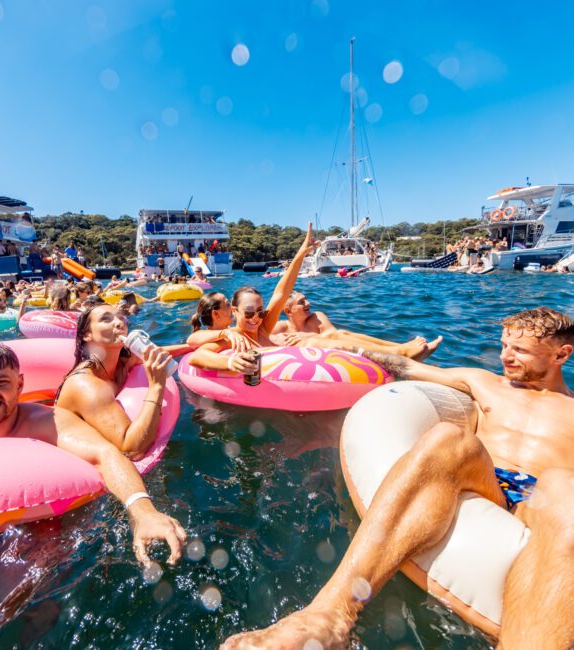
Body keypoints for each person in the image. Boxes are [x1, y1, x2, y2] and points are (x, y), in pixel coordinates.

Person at [222, 307, 574, 649]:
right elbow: (403, 365)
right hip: (489, 483)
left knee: (562, 484)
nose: (506, 356)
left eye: (520, 350)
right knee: (448, 439)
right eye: (503, 345)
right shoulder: (484, 382)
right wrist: (335, 346)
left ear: (562, 355)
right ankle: (329, 615)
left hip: (540, 500)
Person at [0, 341, 186, 565]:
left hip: (34, 515)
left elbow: (105, 454)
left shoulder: (47, 422)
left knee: (31, 568)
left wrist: (143, 512)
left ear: (20, 385)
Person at [56, 304, 188, 457]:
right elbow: (131, 449)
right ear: (87, 335)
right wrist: (156, 386)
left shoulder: (122, 363)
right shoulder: (85, 384)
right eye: (106, 319)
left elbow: (155, 354)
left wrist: (191, 347)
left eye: (121, 317)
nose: (119, 323)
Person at [188, 223, 317, 374]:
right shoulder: (235, 339)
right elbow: (196, 357)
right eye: (248, 313)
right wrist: (230, 362)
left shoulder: (263, 327)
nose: (255, 318)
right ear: (234, 311)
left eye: (260, 312)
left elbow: (281, 294)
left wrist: (301, 254)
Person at [270, 291, 442, 360]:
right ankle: (400, 350)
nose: (308, 303)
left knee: (341, 332)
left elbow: (334, 335)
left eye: (306, 299)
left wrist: (308, 335)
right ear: (288, 310)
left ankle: (401, 348)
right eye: (302, 302)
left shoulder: (317, 317)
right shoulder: (281, 327)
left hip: (346, 352)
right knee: (339, 333)